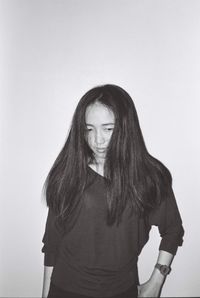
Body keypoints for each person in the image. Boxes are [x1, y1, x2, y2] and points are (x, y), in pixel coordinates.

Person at [41, 84, 184, 298]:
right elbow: (53, 242)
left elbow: (173, 230)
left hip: (122, 291)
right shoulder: (68, 173)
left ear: (126, 127)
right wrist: (45, 294)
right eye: (89, 129)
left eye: (108, 129)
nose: (97, 140)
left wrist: (157, 281)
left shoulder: (150, 177)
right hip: (64, 289)